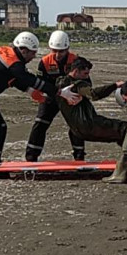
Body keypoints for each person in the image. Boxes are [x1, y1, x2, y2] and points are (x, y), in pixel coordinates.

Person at [0, 32, 74, 174]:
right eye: (32, 53)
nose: (33, 57)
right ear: (23, 50)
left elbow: (14, 78)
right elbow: (29, 79)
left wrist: (30, 91)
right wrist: (59, 92)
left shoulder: (4, 52)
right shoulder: (15, 64)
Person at [25, 30, 83, 161]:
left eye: (61, 51)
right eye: (54, 50)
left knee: (76, 126)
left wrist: (79, 96)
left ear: (67, 49)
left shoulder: (76, 60)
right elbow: (40, 83)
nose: (57, 54)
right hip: (51, 97)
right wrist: (39, 96)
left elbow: (86, 81)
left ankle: (79, 157)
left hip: (71, 98)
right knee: (40, 124)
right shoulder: (45, 62)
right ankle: (31, 157)